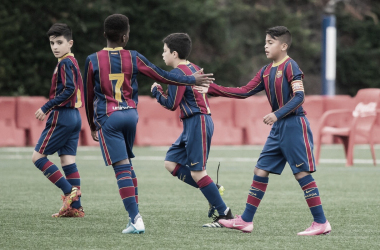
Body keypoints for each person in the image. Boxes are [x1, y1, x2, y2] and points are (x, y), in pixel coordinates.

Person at [83, 14, 213, 234]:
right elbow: (162, 76)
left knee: (121, 167)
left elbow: (87, 96)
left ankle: (135, 219)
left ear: (104, 35)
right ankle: (136, 214)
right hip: (130, 116)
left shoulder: (92, 60)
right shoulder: (134, 57)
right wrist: (191, 79)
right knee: (128, 166)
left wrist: (92, 124)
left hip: (109, 117)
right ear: (126, 37)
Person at [196, 26, 331, 235]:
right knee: (260, 170)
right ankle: (246, 221)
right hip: (279, 129)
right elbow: (243, 91)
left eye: (270, 42)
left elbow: (299, 97)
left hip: (294, 125)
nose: (265, 46)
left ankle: (321, 223)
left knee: (301, 174)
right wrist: (212, 89)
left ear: (284, 46)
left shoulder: (291, 66)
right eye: (265, 42)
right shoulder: (266, 71)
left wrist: (277, 114)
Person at [150, 33, 233, 228]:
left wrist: (156, 92)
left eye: (164, 51)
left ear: (174, 53)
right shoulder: (194, 68)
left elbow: (172, 104)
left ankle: (225, 215)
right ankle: (213, 189)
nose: (163, 55)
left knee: (198, 172)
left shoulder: (178, 74)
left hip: (198, 122)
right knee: (170, 162)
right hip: (193, 122)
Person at [32, 23, 84, 218]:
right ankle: (75, 208)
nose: (55, 46)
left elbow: (69, 89)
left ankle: (69, 192)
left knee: (37, 158)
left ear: (70, 43)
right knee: (67, 161)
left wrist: (46, 107)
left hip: (62, 116)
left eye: (59, 42)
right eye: (52, 43)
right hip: (74, 117)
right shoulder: (71, 60)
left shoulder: (65, 63)